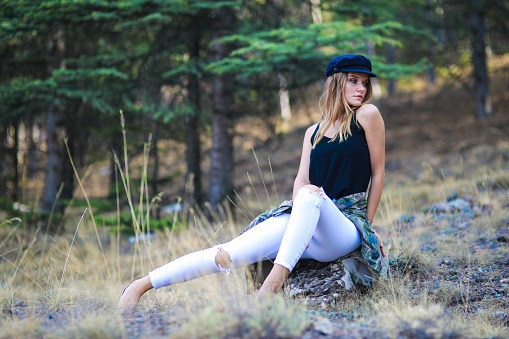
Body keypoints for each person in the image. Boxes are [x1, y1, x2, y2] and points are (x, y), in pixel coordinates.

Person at [118, 54, 387, 310]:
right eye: (353, 80)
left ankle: (272, 285)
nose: (361, 88)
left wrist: (368, 225)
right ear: (336, 82)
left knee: (309, 195)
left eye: (365, 83)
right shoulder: (312, 133)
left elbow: (378, 171)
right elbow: (301, 180)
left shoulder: (367, 115)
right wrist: (298, 227)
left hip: (344, 226)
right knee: (227, 253)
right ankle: (139, 286)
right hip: (307, 218)